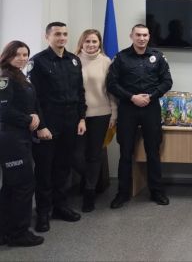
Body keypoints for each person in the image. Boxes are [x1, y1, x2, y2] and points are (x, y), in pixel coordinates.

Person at [28, 22, 87, 233]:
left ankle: (61, 206)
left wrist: (82, 118)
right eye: (57, 34)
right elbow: (33, 97)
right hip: (48, 121)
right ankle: (43, 212)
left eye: (65, 34)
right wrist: (41, 126)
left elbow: (80, 92)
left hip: (70, 121)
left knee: (64, 166)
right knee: (45, 169)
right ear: (48, 37)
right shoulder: (38, 62)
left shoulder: (74, 60)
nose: (62, 37)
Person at [107, 24, 172, 209]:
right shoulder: (121, 57)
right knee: (125, 152)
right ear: (131, 36)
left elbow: (167, 81)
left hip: (151, 108)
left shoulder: (158, 57)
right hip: (128, 109)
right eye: (138, 35)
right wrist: (132, 97)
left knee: (153, 152)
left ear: (149, 36)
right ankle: (122, 193)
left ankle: (157, 191)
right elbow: (111, 83)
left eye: (145, 35)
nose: (142, 38)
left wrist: (151, 96)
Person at [0, 41, 44, 247]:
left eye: (25, 54)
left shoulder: (19, 76)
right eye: (17, 54)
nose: (22, 58)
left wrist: (34, 115)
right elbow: (3, 110)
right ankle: (19, 233)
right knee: (23, 185)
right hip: (11, 139)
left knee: (12, 185)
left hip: (20, 136)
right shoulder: (5, 78)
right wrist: (28, 119)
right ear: (8, 55)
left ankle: (5, 231)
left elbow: (25, 104)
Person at [75, 29, 117, 212]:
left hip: (101, 114)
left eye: (94, 41)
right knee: (75, 155)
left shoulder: (106, 61)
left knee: (94, 154)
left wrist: (114, 113)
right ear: (81, 43)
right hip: (77, 116)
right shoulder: (73, 60)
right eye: (87, 41)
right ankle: (91, 179)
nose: (91, 45)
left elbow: (111, 90)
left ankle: (89, 193)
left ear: (100, 43)